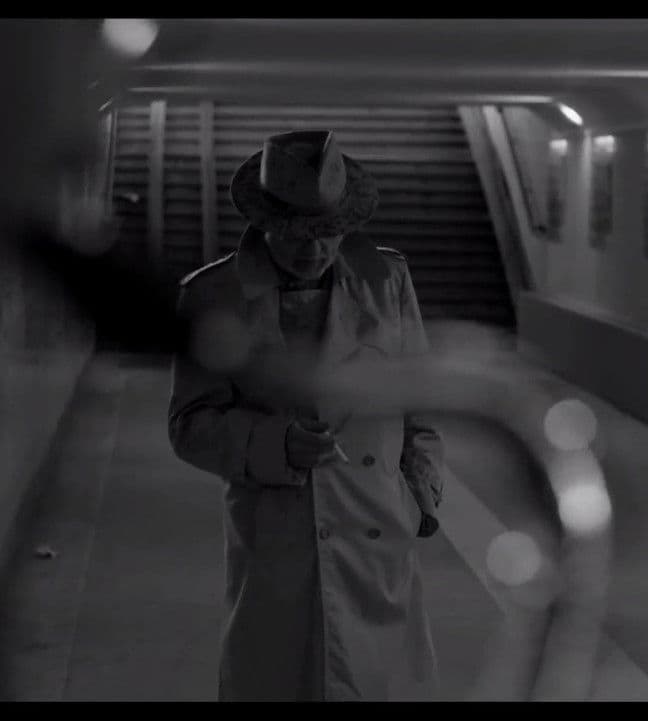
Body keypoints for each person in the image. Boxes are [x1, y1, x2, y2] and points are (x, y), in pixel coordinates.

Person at [167, 130, 445, 702]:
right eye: (296, 234)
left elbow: (419, 401)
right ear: (265, 223)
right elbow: (189, 424)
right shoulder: (213, 295)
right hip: (278, 526)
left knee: (381, 678)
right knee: (276, 675)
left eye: (327, 233)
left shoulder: (387, 281)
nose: (313, 250)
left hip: (374, 524)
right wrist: (276, 444)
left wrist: (419, 493)